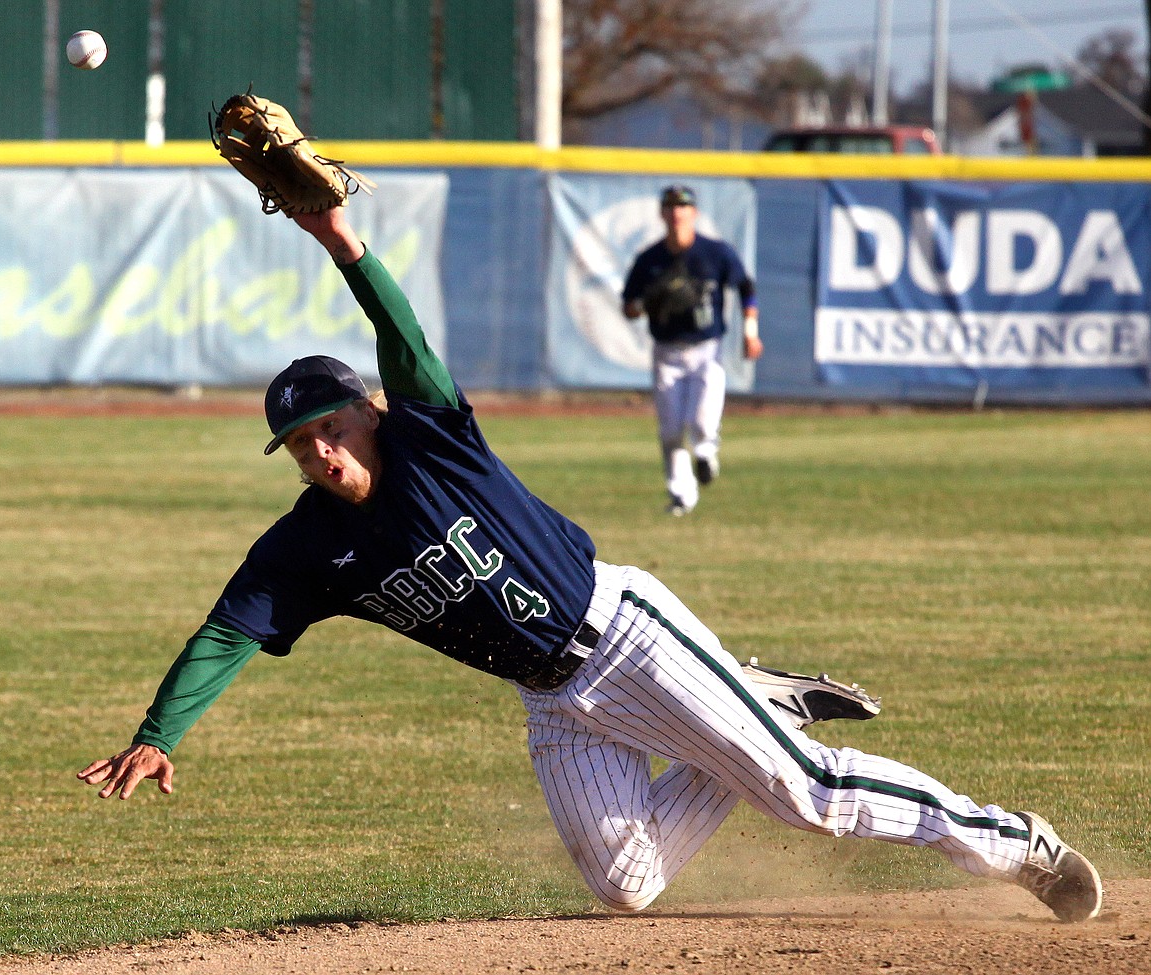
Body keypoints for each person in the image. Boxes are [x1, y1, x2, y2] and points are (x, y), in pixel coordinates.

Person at [79, 205, 1102, 924]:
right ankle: (758, 708)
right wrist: (158, 734)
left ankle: (1020, 846)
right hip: (553, 700)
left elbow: (401, 331)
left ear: (367, 412)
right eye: (300, 447)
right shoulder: (309, 545)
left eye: (327, 429)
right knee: (628, 886)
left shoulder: (432, 437)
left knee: (814, 798)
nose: (320, 453)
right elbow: (228, 632)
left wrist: (342, 241)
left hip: (626, 637)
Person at [622, 185, 763, 517]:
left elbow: (746, 287)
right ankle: (682, 495)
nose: (676, 213)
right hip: (666, 351)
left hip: (706, 349)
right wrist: (646, 304)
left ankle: (706, 451)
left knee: (700, 422)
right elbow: (628, 306)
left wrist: (751, 331)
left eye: (683, 207)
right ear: (662, 214)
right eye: (670, 207)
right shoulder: (650, 260)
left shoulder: (715, 254)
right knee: (671, 431)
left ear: (693, 213)